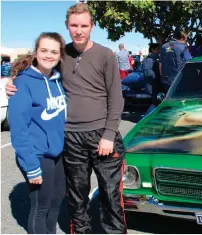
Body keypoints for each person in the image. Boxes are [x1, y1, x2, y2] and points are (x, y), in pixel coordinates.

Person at [6, 3, 127, 233]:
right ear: (66, 26)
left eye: (84, 25)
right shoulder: (62, 54)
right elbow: (32, 66)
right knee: (77, 197)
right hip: (71, 137)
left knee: (111, 196)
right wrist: (13, 82)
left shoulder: (106, 55)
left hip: (102, 135)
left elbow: (116, 98)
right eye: (74, 25)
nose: (79, 30)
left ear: (92, 26)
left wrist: (109, 134)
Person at [9, 32, 67, 234]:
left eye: (54, 51)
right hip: (37, 154)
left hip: (57, 153)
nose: (48, 55)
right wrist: (31, 165)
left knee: (58, 197)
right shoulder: (23, 83)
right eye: (44, 50)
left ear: (60, 56)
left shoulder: (58, 81)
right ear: (36, 52)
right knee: (41, 206)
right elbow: (18, 129)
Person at [159, 29, 192, 93]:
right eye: (185, 39)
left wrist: (162, 76)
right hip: (179, 80)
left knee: (168, 98)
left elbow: (160, 64)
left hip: (166, 80)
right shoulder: (183, 47)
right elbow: (190, 62)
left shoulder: (164, 46)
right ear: (182, 38)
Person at [142, 43, 162, 114]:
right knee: (155, 104)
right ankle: (147, 118)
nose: (159, 51)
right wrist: (159, 76)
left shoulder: (155, 58)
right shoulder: (148, 60)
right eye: (158, 49)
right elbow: (148, 74)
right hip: (152, 86)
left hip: (156, 86)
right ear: (152, 50)